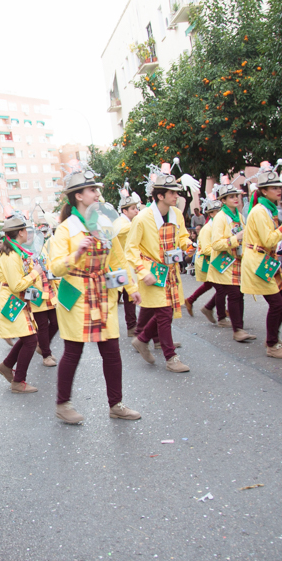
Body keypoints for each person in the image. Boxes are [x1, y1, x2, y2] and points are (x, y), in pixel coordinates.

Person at [49, 166, 141, 424]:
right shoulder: (66, 229)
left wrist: (132, 289)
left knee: (111, 351)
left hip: (103, 293)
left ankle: (116, 404)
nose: (98, 195)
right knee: (73, 351)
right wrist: (76, 254)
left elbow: (119, 258)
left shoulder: (104, 224)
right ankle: (62, 404)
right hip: (76, 294)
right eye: (92, 190)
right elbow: (55, 267)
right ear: (78, 195)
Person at [125, 169, 195, 372]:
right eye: (172, 193)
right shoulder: (142, 218)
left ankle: (143, 338)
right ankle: (170, 357)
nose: (176, 196)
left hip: (170, 270)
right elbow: (131, 249)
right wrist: (142, 271)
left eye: (176, 192)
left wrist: (188, 245)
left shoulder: (177, 214)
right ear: (160, 196)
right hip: (152, 270)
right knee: (164, 312)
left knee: (166, 311)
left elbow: (181, 237)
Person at [241, 165, 282, 358]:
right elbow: (268, 240)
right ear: (263, 191)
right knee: (276, 303)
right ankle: (271, 344)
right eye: (273, 187)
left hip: (268, 260)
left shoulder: (269, 209)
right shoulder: (259, 211)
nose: (278, 190)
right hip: (259, 260)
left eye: (279, 187)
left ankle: (274, 337)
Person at [0, 215, 44, 393]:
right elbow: (16, 285)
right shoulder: (12, 255)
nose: (28, 233)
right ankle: (18, 381)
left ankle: (6, 367)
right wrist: (35, 273)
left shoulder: (15, 252)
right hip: (10, 298)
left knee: (27, 337)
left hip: (12, 298)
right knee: (30, 340)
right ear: (20, 232)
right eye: (25, 230)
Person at [206, 182, 255, 341]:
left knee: (240, 294)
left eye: (237, 196)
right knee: (233, 294)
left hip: (238, 260)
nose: (236, 199)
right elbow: (215, 244)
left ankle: (239, 327)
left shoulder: (239, 216)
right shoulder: (220, 217)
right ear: (223, 200)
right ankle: (237, 330)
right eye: (231, 197)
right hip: (225, 262)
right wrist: (236, 238)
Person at [184, 198, 224, 320]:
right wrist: (221, 248)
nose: (219, 214)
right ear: (210, 214)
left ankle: (193, 302)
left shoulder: (219, 225)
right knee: (222, 289)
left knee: (211, 286)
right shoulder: (207, 229)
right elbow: (206, 249)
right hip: (206, 261)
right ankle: (220, 314)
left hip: (214, 260)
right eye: (216, 211)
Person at [114, 189, 142, 333]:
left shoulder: (130, 221)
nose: (136, 211)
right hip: (117, 266)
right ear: (124, 211)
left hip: (127, 266)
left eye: (137, 208)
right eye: (133, 209)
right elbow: (117, 232)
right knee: (114, 298)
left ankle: (132, 326)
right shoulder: (120, 222)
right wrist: (138, 222)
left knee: (129, 297)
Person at [31, 225, 60, 367]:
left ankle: (42, 346)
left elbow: (50, 265)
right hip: (36, 292)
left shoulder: (42, 249)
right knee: (42, 326)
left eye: (43, 233)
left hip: (49, 290)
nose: (41, 236)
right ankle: (46, 354)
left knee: (56, 322)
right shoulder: (24, 252)